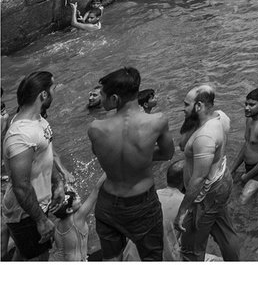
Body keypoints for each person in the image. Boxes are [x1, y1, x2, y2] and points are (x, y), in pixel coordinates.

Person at [87, 66, 174, 260]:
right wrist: (141, 157)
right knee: (151, 259)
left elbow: (100, 154)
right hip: (142, 204)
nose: (100, 98)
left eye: (103, 94)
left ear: (115, 99)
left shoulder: (95, 128)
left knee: (112, 259)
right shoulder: (157, 121)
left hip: (108, 203)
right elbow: (168, 153)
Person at [2, 70, 64, 261]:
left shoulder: (37, 119)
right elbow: (21, 186)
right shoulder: (21, 134)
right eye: (53, 88)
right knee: (38, 259)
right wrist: (41, 220)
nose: (56, 91)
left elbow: (45, 155)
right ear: (43, 95)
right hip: (25, 213)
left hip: (36, 205)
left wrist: (57, 183)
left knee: (26, 256)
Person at [176, 84, 241, 261]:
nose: (183, 108)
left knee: (191, 246)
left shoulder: (205, 136)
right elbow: (183, 144)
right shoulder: (221, 117)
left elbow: (199, 178)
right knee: (224, 229)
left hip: (207, 192)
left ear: (199, 106)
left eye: (186, 104)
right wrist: (192, 119)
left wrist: (182, 211)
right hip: (221, 178)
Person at [48, 181, 103, 261]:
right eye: (75, 198)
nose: (78, 197)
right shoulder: (77, 218)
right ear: (69, 210)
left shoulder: (56, 223)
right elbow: (97, 189)